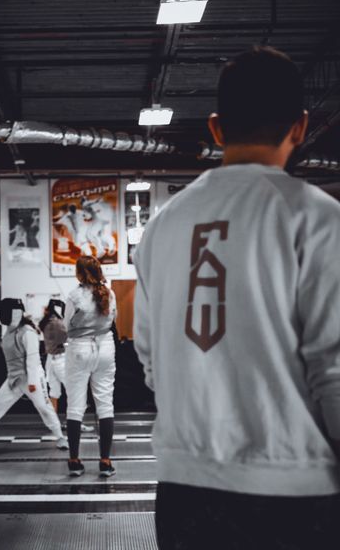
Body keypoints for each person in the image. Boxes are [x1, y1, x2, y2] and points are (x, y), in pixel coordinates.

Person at [133, 46, 340, 549]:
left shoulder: (161, 227)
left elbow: (152, 361)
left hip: (184, 488)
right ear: (300, 126)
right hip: (293, 487)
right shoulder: (315, 217)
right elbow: (333, 371)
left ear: (217, 128)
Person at [0, 298, 68, 450]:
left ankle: (61, 437)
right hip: (13, 379)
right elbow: (11, 348)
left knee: (44, 407)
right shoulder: (9, 331)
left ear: (15, 313)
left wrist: (33, 382)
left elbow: (32, 360)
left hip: (31, 378)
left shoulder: (28, 333)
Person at [64, 255, 117, 477]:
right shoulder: (110, 293)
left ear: (79, 273)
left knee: (76, 405)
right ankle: (105, 461)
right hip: (105, 347)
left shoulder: (74, 295)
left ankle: (75, 461)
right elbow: (114, 320)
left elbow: (66, 325)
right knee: (105, 404)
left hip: (79, 349)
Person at [38, 298, 94, 433]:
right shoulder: (57, 323)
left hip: (51, 361)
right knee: (77, 392)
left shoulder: (46, 322)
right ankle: (75, 423)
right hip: (61, 361)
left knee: (54, 393)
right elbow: (70, 341)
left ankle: (53, 424)